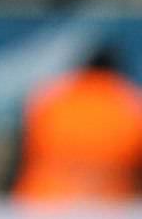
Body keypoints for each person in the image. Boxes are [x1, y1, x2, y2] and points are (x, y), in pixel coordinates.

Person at [12, 46, 142, 205]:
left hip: (43, 199)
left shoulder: (51, 97)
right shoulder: (131, 101)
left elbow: (24, 148)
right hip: (111, 202)